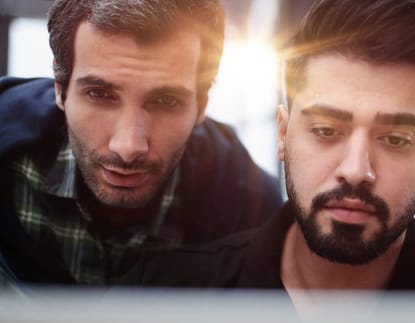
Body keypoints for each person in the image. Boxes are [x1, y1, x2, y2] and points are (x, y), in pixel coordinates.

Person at [124, 0, 415, 304]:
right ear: (282, 132)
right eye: (327, 129)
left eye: (395, 140)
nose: (356, 171)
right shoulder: (170, 293)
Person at [0, 0, 282, 287]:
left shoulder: (252, 209)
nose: (128, 147)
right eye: (99, 94)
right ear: (60, 90)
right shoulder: (8, 149)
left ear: (201, 106)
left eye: (166, 101)